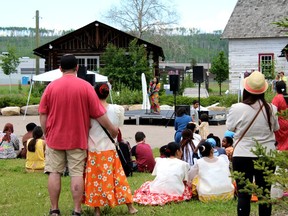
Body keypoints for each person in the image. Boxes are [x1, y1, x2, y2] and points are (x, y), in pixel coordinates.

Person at [39, 54, 118, 216]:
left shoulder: (50, 87)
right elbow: (98, 113)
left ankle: (54, 209)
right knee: (76, 173)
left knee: (54, 172)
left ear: (60, 69)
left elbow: (42, 114)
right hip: (77, 138)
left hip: (55, 138)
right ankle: (77, 210)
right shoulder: (86, 87)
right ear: (77, 68)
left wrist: (46, 133)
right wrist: (112, 129)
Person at [226, 71, 279, 216]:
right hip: (267, 154)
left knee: (243, 195)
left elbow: (230, 127)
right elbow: (276, 129)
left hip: (242, 154)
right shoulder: (271, 109)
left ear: (246, 89)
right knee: (264, 194)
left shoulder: (236, 108)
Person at [83, 83, 137, 216]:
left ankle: (97, 209)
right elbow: (118, 128)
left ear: (94, 93)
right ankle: (130, 207)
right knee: (118, 178)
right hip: (110, 149)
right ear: (108, 93)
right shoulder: (117, 109)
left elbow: (86, 128)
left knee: (94, 180)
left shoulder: (89, 111)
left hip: (94, 149)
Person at [272, 80, 288, 150]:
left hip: (280, 123)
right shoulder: (286, 97)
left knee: (280, 143)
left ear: (277, 89)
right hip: (287, 121)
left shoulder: (277, 98)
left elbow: (273, 111)